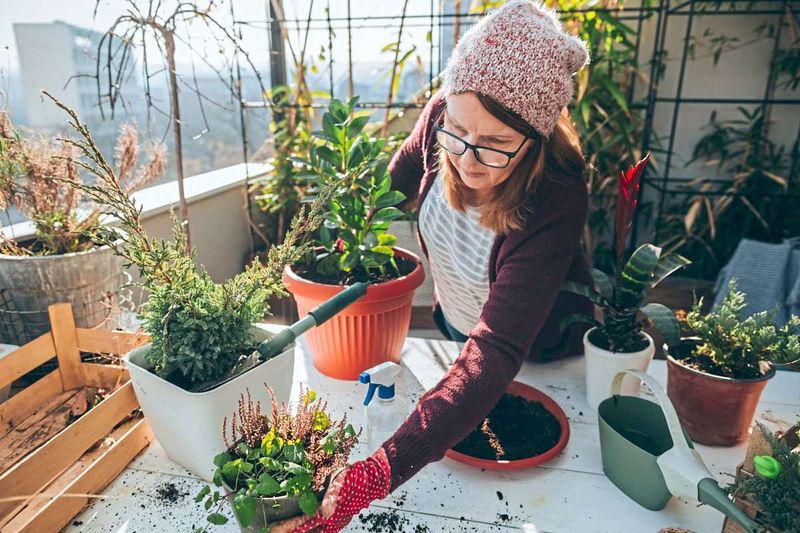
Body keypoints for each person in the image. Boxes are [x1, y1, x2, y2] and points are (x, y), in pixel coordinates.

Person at [277, 1, 593, 531]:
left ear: (534, 140)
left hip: (540, 358)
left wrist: (381, 470)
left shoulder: (556, 193)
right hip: (455, 325)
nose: (467, 160)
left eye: (494, 144)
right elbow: (386, 191)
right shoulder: (440, 121)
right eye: (458, 130)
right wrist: (340, 245)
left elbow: (497, 349)